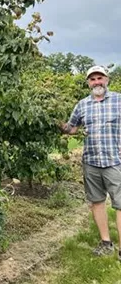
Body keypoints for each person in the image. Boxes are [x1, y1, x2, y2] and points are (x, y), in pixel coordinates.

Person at [61, 65, 121, 260]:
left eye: (100, 78)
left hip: (116, 160)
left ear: (107, 80)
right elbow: (72, 128)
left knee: (120, 204)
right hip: (92, 161)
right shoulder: (82, 105)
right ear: (88, 83)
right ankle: (106, 243)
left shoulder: (119, 100)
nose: (97, 82)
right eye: (93, 79)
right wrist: (56, 123)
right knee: (97, 201)